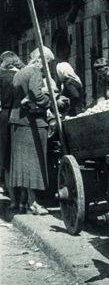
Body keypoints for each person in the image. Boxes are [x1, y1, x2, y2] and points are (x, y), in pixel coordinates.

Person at [8, 46, 64, 215]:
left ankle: (24, 201)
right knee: (34, 164)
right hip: (32, 122)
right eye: (47, 63)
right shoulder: (34, 72)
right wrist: (54, 102)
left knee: (23, 165)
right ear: (40, 59)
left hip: (18, 120)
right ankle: (34, 203)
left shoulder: (20, 72)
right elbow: (36, 95)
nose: (47, 67)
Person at [0, 51, 24, 208]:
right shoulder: (23, 75)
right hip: (22, 116)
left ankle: (13, 199)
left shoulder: (1, 76)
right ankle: (24, 200)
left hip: (5, 116)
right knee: (20, 157)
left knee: (6, 157)